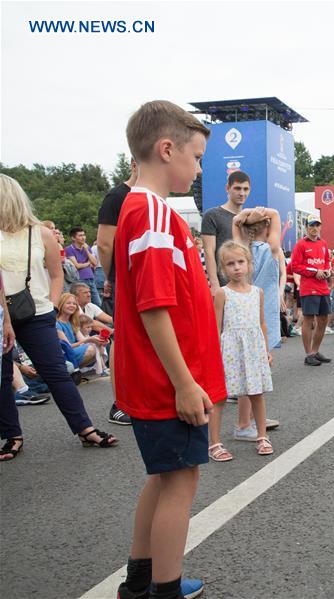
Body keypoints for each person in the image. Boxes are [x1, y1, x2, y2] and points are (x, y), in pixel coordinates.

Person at [113, 100, 222, 599]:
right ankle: (165, 588)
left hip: (154, 375)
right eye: (196, 157)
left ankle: (139, 581)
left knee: (163, 478)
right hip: (166, 380)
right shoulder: (154, 211)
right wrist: (184, 382)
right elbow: (155, 306)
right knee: (180, 483)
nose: (198, 168)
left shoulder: (139, 208)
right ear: (166, 149)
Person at [0, 174, 119, 462]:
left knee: (56, 373)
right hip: (1, 315)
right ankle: (12, 435)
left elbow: (56, 274)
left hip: (37, 312)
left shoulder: (39, 233)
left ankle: (84, 428)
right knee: (3, 377)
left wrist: (52, 306)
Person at [208, 241, 274, 461]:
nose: (236, 267)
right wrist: (214, 353)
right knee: (219, 397)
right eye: (230, 264)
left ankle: (262, 436)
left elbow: (262, 323)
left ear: (249, 264)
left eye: (240, 262)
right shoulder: (222, 293)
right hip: (230, 349)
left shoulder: (258, 292)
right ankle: (215, 443)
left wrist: (266, 349)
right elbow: (216, 326)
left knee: (256, 393)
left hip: (254, 348)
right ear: (222, 268)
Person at [96, 156, 138, 425]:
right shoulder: (117, 196)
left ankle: (136, 398)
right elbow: (104, 244)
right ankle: (119, 403)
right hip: (123, 277)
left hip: (140, 277)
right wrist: (111, 275)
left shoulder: (150, 196)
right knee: (122, 340)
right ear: (134, 162)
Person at [231, 207, 282, 351]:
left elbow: (235, 221)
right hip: (267, 308)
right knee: (265, 352)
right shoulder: (271, 249)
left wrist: (244, 215)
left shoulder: (241, 250)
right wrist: (258, 212)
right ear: (267, 227)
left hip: (245, 308)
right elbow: (275, 213)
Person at [289, 216, 332, 366]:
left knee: (323, 320)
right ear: (307, 227)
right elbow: (295, 266)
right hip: (308, 288)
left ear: (321, 226)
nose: (314, 228)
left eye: (317, 225)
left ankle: (315, 350)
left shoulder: (323, 243)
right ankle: (309, 354)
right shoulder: (300, 245)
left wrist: (326, 270)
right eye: (311, 225)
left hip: (323, 287)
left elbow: (326, 261)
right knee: (308, 319)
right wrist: (314, 272)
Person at [201, 171, 250, 293]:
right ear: (227, 188)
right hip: (223, 285)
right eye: (237, 188)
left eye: (245, 189)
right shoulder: (212, 215)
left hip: (247, 285)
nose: (242, 193)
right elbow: (208, 251)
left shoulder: (250, 218)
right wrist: (214, 284)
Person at [55, 293, 106, 372]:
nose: (72, 305)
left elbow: (82, 339)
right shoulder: (57, 323)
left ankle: (76, 371)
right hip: (64, 354)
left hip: (72, 351)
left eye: (74, 304)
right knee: (91, 349)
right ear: (61, 304)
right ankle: (71, 371)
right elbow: (68, 347)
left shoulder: (72, 321)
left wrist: (98, 340)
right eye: (68, 303)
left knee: (100, 348)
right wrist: (88, 340)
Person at [65, 227, 102, 306]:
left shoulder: (87, 247)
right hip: (80, 279)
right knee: (84, 304)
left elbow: (95, 262)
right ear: (73, 238)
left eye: (84, 235)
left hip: (91, 278)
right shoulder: (69, 249)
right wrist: (88, 263)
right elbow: (77, 266)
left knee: (98, 303)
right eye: (80, 235)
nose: (83, 237)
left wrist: (87, 251)